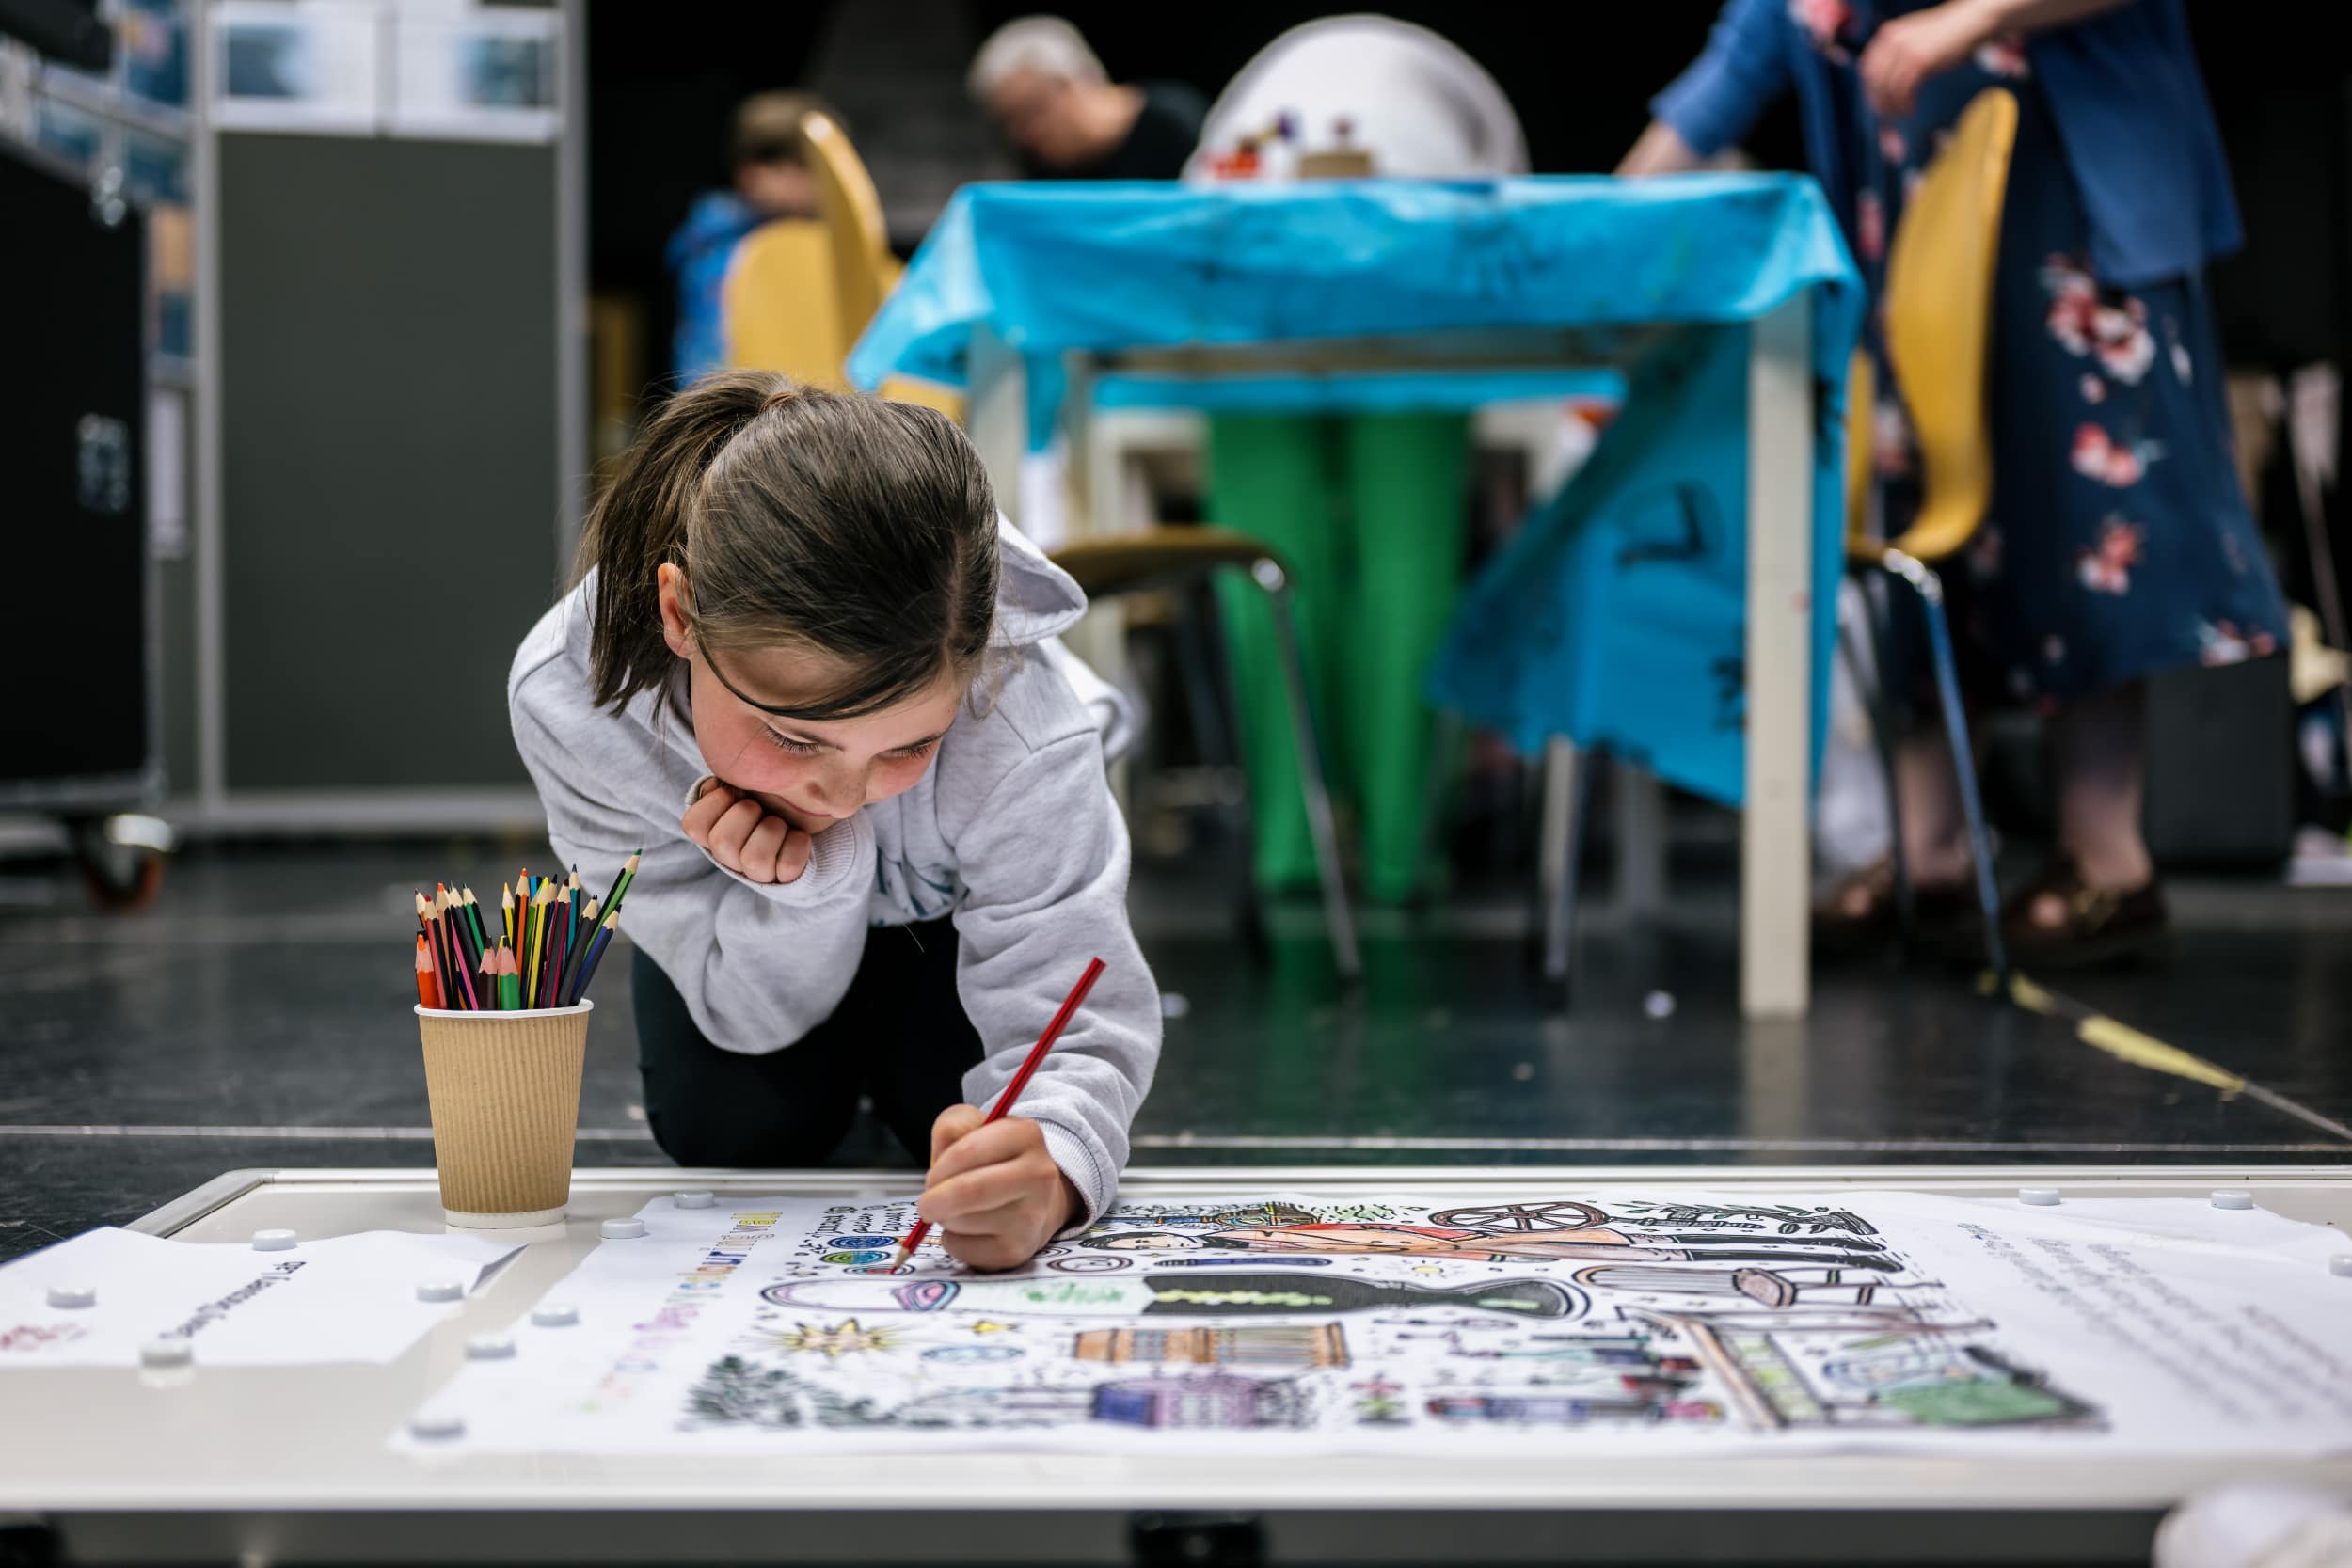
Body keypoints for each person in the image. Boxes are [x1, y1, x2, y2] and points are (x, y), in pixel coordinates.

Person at [1623, 0, 2287, 966]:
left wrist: (1971, 20)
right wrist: (1583, 241)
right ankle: (1928, 850)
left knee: (2089, 522)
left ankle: (2107, 857)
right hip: (1911, 231)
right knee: (1927, 520)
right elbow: (1732, 70)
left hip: (2069, 204)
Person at [508, 373, 1159, 1270]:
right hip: (747, 943)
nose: (843, 796)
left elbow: (1076, 1003)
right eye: (791, 735)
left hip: (948, 921)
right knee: (733, 1124)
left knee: (952, 1115)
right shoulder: (571, 701)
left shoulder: (1020, 719)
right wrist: (813, 885)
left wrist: (1051, 1159)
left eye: (906, 747)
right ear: (679, 613)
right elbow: (746, 1015)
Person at [1187, 18, 1526, 905]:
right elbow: (1511, 219)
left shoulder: (1273, 78)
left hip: (1248, 305)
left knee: (1260, 566)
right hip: (1420, 302)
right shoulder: (1436, 78)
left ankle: (1293, 846)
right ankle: (1401, 853)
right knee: (1408, 568)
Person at [665, 92, 831, 384]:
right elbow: (709, 357)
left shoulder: (817, 242)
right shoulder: (720, 250)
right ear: (752, 172)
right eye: (802, 167)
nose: (817, 183)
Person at [967, 15, 1203, 180]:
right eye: (1009, 123)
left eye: (1030, 112)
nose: (1023, 135)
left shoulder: (1174, 124)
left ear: (1068, 85)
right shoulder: (1046, 167)